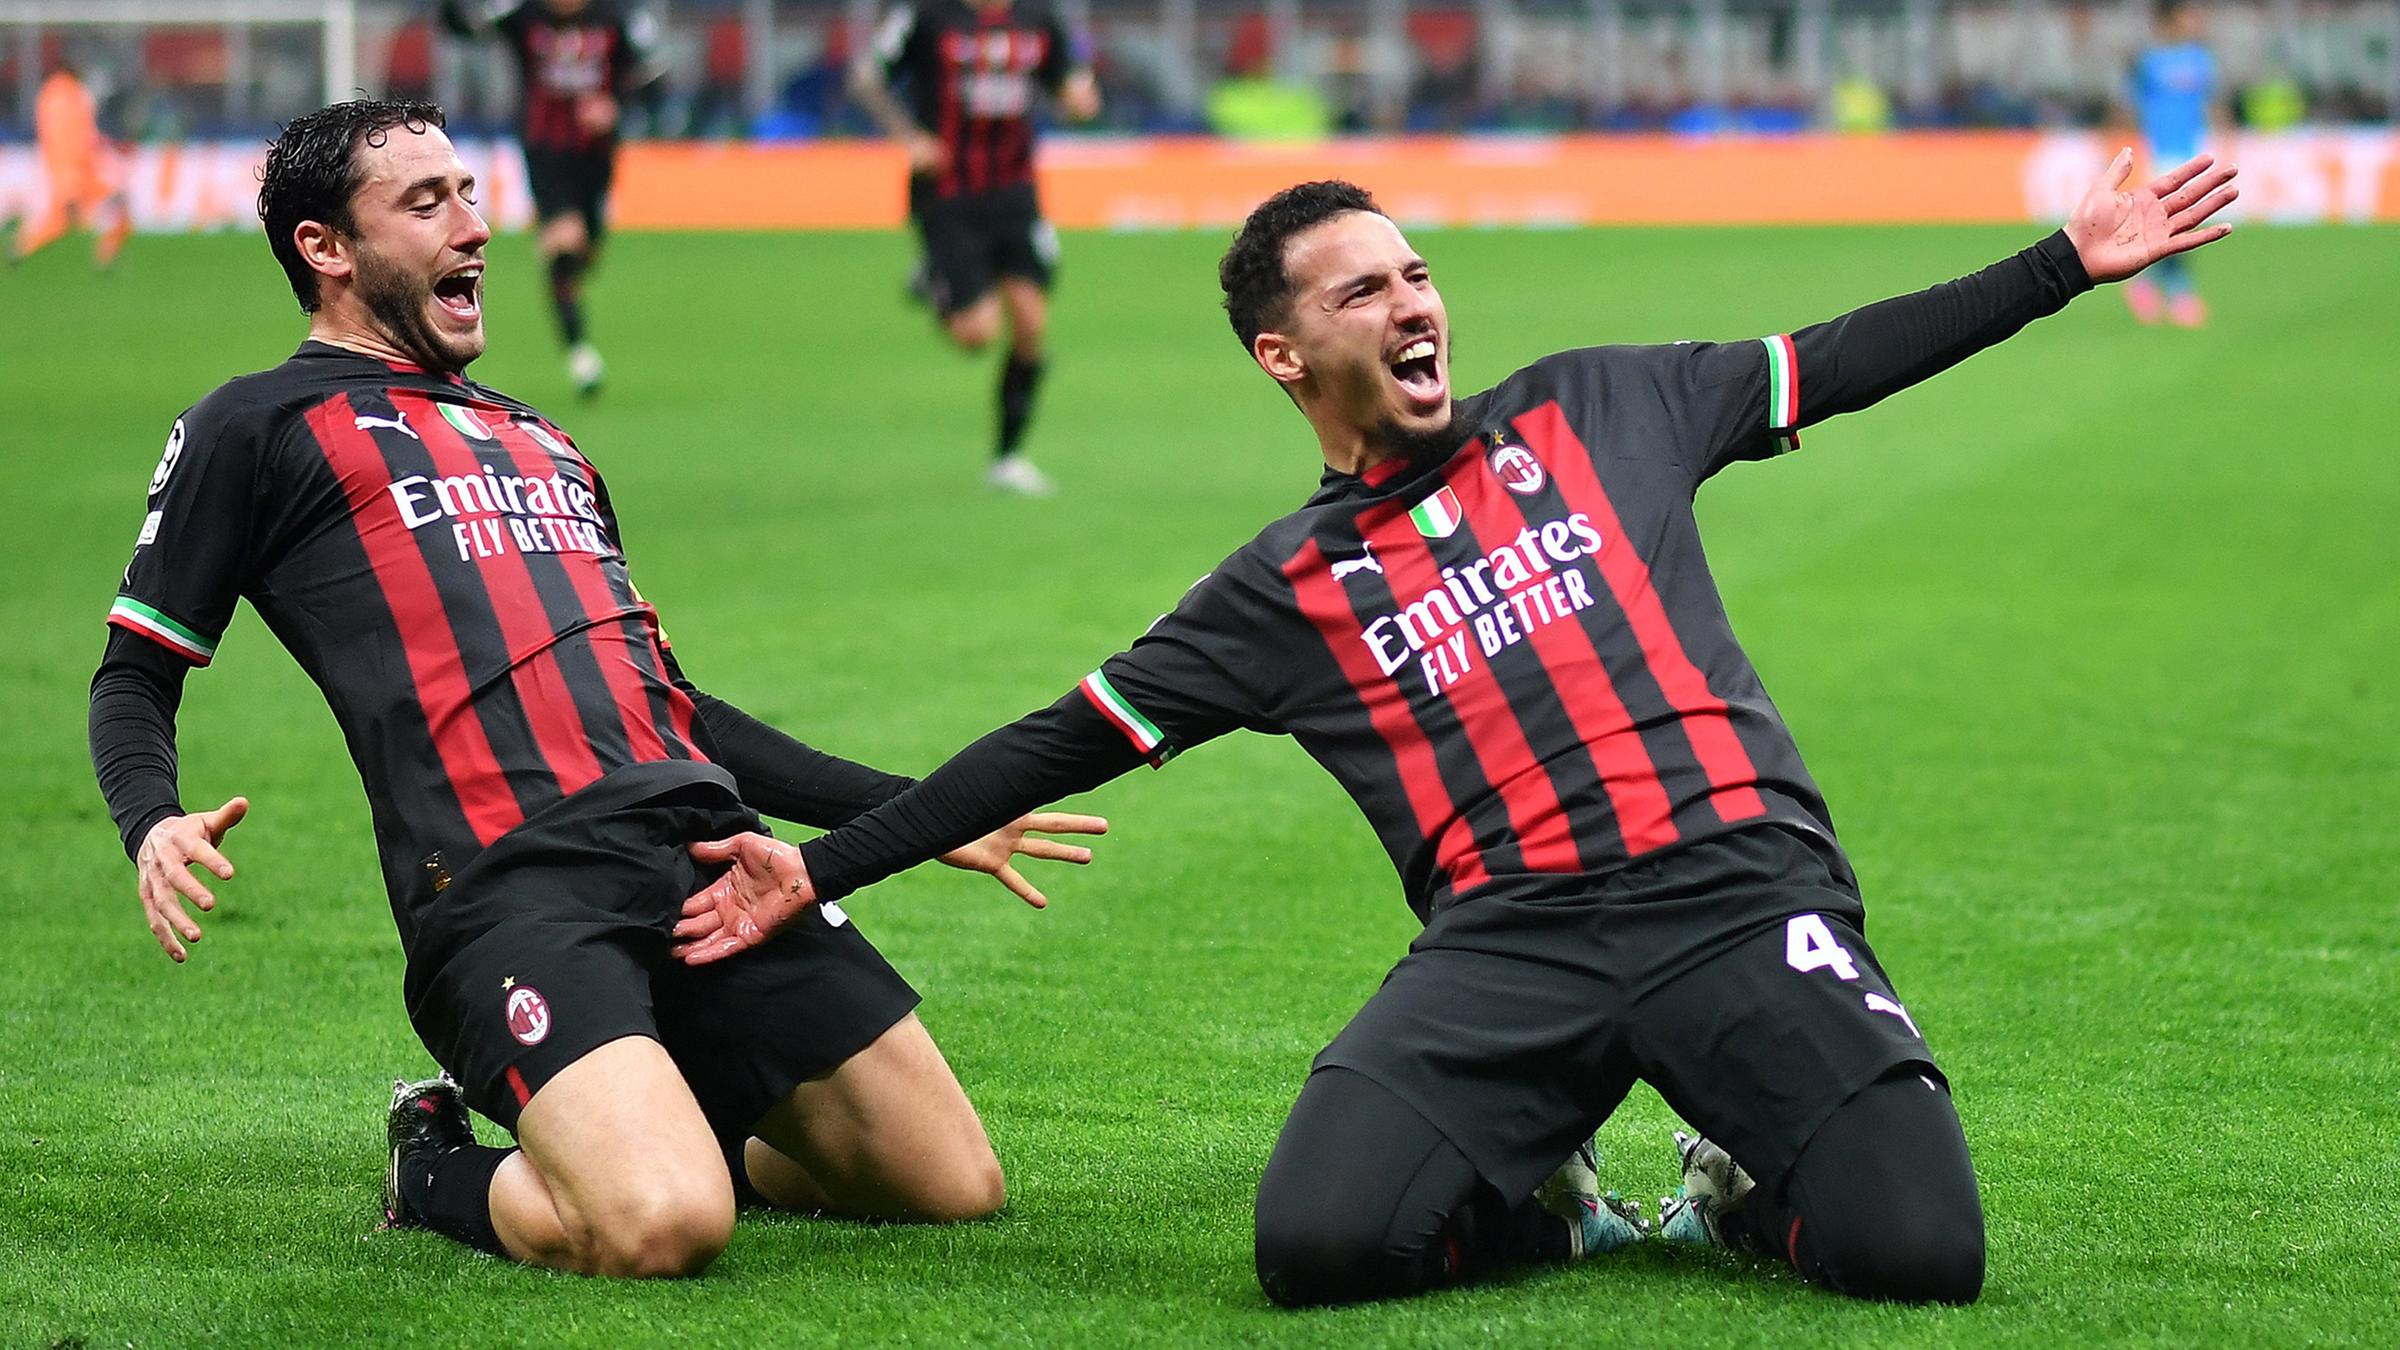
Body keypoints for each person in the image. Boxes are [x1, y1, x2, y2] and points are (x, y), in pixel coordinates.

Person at [669, 153, 2239, 1306]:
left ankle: (1740, 1184)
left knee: (1922, 1251)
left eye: (1415, 274)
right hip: (1512, 943)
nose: (1412, 302)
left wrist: (2061, 263)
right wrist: (822, 865)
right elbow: (1055, 740)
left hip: (1736, 890)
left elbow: (1838, 361)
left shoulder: (1602, 405)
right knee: (1317, 1246)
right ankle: (1544, 1197)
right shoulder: (1279, 591)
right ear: (1285, 355)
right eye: (1362, 289)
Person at [86, 99, 1103, 1279]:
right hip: (511, 883)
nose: (473, 226)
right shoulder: (254, 426)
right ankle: (435, 1165)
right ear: (327, 248)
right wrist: (151, 820)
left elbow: (672, 708)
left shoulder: (543, 440)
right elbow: (134, 674)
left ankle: (650, 1124)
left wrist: (919, 813)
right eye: (425, 203)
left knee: (950, 1187)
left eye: (469, 193)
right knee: (661, 1228)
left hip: (706, 853)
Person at [851, 2, 1102, 495]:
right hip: (948, 195)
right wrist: (910, 137)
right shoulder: (927, 15)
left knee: (1031, 326)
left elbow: (1071, 87)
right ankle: (934, 276)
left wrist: (1079, 100)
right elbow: (866, 78)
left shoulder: (1038, 17)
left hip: (1015, 192)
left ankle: (1008, 458)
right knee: (976, 334)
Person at [440, 0, 663, 394]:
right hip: (546, 152)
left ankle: (569, 294)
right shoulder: (525, 17)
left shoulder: (615, 20)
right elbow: (461, 26)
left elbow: (654, 82)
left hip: (596, 158)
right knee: (564, 244)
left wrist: (616, 106)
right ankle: (580, 354)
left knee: (583, 254)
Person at [2124, 0, 2221, 327]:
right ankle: (2182, 295)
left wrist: (2225, 135)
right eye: (2186, 15)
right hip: (2160, 153)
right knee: (2176, 225)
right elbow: (2128, 105)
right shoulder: (2149, 62)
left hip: (2193, 151)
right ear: (2169, 20)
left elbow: (2211, 102)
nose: (2194, 20)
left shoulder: (2200, 59)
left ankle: (2146, 283)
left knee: (2183, 226)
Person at [9, 59, 130, 267]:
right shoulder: (73, 93)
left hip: (63, 167)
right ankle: (25, 245)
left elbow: (59, 134)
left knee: (65, 219)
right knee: (81, 214)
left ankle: (23, 246)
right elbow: (78, 134)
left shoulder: (48, 94)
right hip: (80, 167)